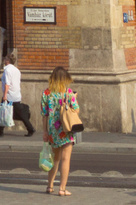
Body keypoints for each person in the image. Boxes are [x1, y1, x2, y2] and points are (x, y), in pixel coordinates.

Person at [41, 66, 81, 196]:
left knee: (55, 159)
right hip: (67, 129)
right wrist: (75, 97)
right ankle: (62, 189)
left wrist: (45, 132)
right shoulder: (69, 93)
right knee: (66, 159)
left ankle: (49, 186)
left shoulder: (46, 93)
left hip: (53, 131)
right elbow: (76, 110)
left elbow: (44, 115)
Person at [0, 50, 33, 137]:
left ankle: (0, 131)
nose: (4, 60)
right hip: (16, 94)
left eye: (5, 58)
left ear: (7, 60)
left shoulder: (7, 70)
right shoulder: (17, 70)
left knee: (3, 111)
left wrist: (4, 95)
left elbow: (7, 83)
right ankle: (30, 128)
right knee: (19, 113)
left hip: (9, 95)